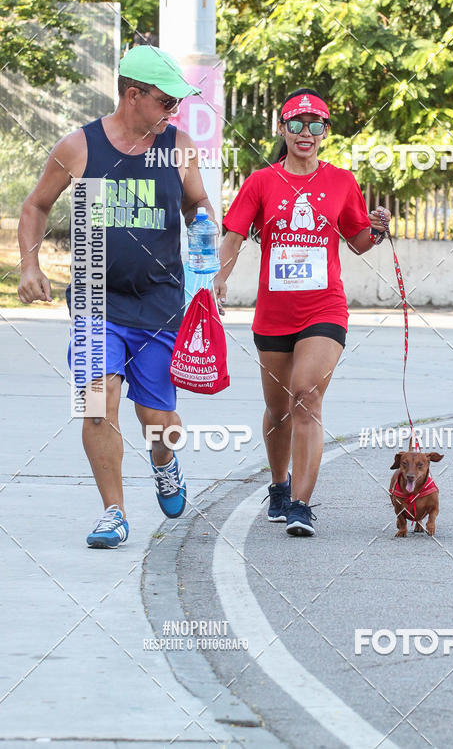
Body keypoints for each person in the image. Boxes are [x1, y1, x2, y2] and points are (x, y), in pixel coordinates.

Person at [17, 45, 215, 547]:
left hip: (159, 302)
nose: (174, 112)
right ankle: (114, 511)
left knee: (156, 419)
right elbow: (36, 207)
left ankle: (165, 462)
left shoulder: (180, 147)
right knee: (97, 402)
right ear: (134, 95)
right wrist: (30, 265)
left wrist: (205, 245)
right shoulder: (79, 147)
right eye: (167, 102)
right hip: (93, 300)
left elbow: (198, 209)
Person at [214, 88, 391, 537]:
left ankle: (301, 504)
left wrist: (377, 230)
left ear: (325, 133)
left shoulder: (341, 181)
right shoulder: (261, 181)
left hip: (324, 308)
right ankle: (279, 484)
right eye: (297, 124)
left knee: (305, 396)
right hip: (273, 314)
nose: (306, 133)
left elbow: (358, 241)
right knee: (277, 411)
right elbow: (233, 236)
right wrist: (219, 277)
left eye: (316, 125)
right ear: (282, 129)